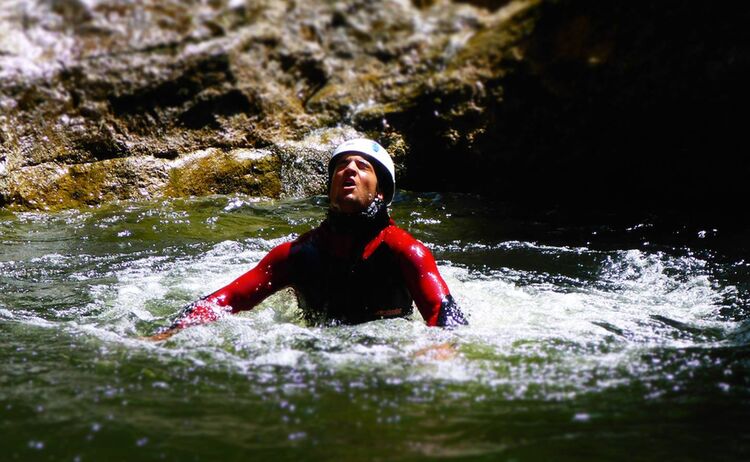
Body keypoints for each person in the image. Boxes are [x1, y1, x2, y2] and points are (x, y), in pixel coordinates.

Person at [150, 138, 467, 340]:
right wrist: (168, 333)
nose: (349, 171)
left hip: (385, 353)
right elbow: (228, 300)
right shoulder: (297, 255)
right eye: (341, 166)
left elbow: (445, 318)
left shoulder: (405, 252)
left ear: (381, 192)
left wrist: (437, 354)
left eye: (362, 166)